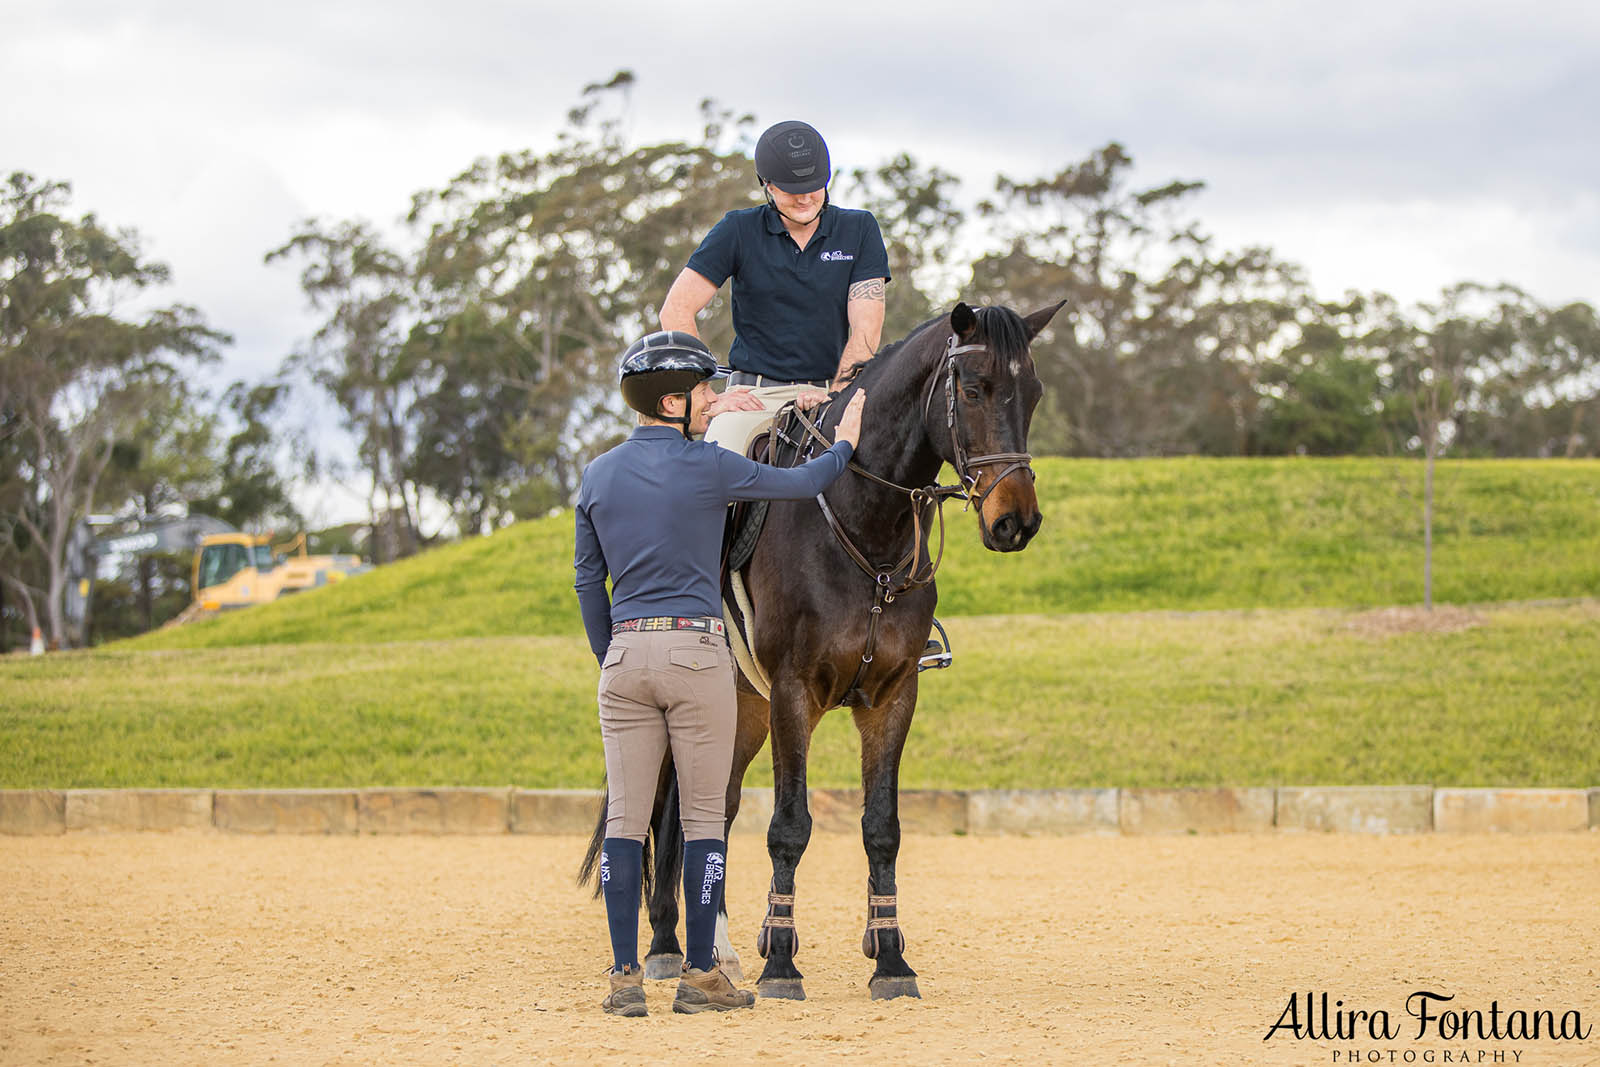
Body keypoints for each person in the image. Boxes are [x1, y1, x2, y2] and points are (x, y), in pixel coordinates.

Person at [573, 329, 868, 1017]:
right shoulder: (709, 467)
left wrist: (609, 653)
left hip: (625, 658)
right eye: (705, 391)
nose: (713, 400)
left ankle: (623, 976)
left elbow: (589, 582)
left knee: (625, 818)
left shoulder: (597, 474)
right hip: (697, 654)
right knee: (705, 820)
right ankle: (701, 973)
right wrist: (847, 439)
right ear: (672, 401)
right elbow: (805, 481)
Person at [659, 119, 890, 459]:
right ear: (767, 185)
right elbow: (676, 309)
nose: (805, 199)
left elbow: (866, 328)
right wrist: (705, 394)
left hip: (831, 392)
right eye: (792, 191)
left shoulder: (859, 228)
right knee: (711, 475)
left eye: (815, 186)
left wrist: (837, 394)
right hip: (753, 398)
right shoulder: (738, 229)